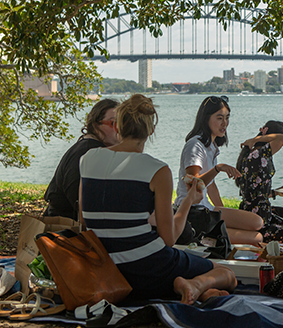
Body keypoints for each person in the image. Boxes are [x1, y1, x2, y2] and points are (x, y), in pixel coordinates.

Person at [79, 94, 236, 304]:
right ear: (151, 130)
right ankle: (195, 285)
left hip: (104, 269)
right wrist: (189, 200)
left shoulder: (88, 159)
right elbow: (169, 239)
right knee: (227, 275)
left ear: (117, 127)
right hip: (148, 269)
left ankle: (186, 286)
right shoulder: (157, 170)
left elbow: (84, 220)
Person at [175, 96, 264, 245]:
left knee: (257, 223)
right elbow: (193, 184)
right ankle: (205, 239)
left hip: (207, 210)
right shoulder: (195, 146)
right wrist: (218, 168)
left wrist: (223, 213)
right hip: (193, 214)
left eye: (227, 118)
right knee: (257, 238)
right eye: (219, 118)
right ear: (206, 119)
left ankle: (213, 237)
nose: (225, 123)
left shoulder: (211, 147)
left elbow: (211, 187)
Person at [43, 99, 120, 220]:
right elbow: (81, 203)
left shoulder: (92, 148)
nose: (118, 128)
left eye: (122, 123)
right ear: (95, 125)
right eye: (113, 123)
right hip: (65, 229)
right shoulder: (88, 152)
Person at [235, 120, 283, 242]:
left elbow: (255, 192)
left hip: (255, 212)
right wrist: (255, 139)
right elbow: (282, 138)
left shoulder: (254, 154)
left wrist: (277, 192)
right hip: (258, 218)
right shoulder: (259, 154)